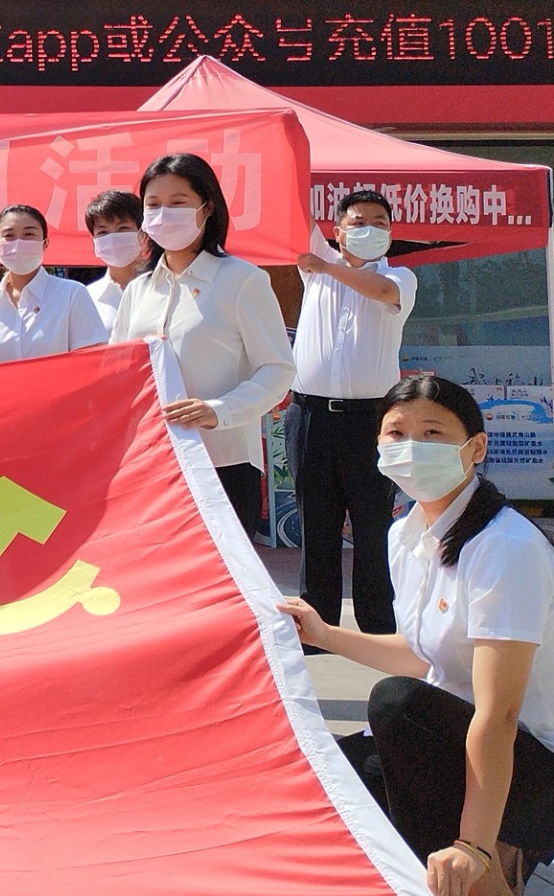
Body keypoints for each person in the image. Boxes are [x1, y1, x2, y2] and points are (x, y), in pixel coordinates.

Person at [279, 376, 554, 896]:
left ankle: (486, 874)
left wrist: (473, 844)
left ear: (475, 448)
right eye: (396, 434)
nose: (411, 448)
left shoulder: (505, 546)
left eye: (432, 433)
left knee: (398, 706)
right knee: (321, 776)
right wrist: (324, 634)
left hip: (531, 765)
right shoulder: (405, 536)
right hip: (450, 747)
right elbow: (423, 655)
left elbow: (500, 714)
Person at [110, 153, 294, 535]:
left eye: (177, 203)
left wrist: (218, 411)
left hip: (223, 463)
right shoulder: (139, 289)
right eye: (153, 205)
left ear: (207, 207)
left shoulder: (242, 280)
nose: (163, 214)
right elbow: (116, 372)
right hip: (152, 464)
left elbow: (278, 370)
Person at [290, 189, 418, 637]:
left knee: (372, 523)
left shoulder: (399, 277)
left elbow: (381, 292)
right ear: (338, 231)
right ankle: (317, 627)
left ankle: (378, 627)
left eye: (379, 222)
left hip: (371, 421)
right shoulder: (316, 266)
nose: (369, 230)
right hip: (311, 417)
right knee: (316, 522)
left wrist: (326, 267)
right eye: (358, 222)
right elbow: (293, 207)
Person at [0, 204, 106, 364]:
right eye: (9, 235)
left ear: (45, 243)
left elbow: (90, 361)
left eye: (29, 234)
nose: (19, 242)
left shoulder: (72, 294)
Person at [83, 188, 145, 334]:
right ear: (93, 240)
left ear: (142, 232)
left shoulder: (165, 284)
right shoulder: (87, 297)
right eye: (103, 232)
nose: (112, 238)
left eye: (123, 228)